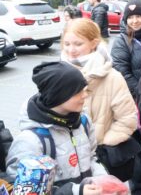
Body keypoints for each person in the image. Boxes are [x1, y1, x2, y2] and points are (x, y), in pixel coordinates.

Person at [6, 61, 107, 195]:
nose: (85, 95)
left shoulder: (83, 122)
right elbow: (21, 189)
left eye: (84, 89)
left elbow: (90, 157)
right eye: (78, 92)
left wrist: (103, 180)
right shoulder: (31, 140)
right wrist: (75, 191)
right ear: (58, 95)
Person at [61, 19, 139, 187]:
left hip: (99, 160)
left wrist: (102, 145)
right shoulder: (56, 74)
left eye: (78, 44)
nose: (71, 50)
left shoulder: (112, 77)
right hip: (66, 160)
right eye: (66, 44)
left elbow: (128, 119)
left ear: (93, 43)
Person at [111, 0, 141, 192]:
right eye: (131, 17)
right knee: (134, 151)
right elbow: (122, 72)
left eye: (139, 16)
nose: (135, 21)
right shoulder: (122, 41)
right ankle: (140, 188)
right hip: (133, 105)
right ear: (125, 19)